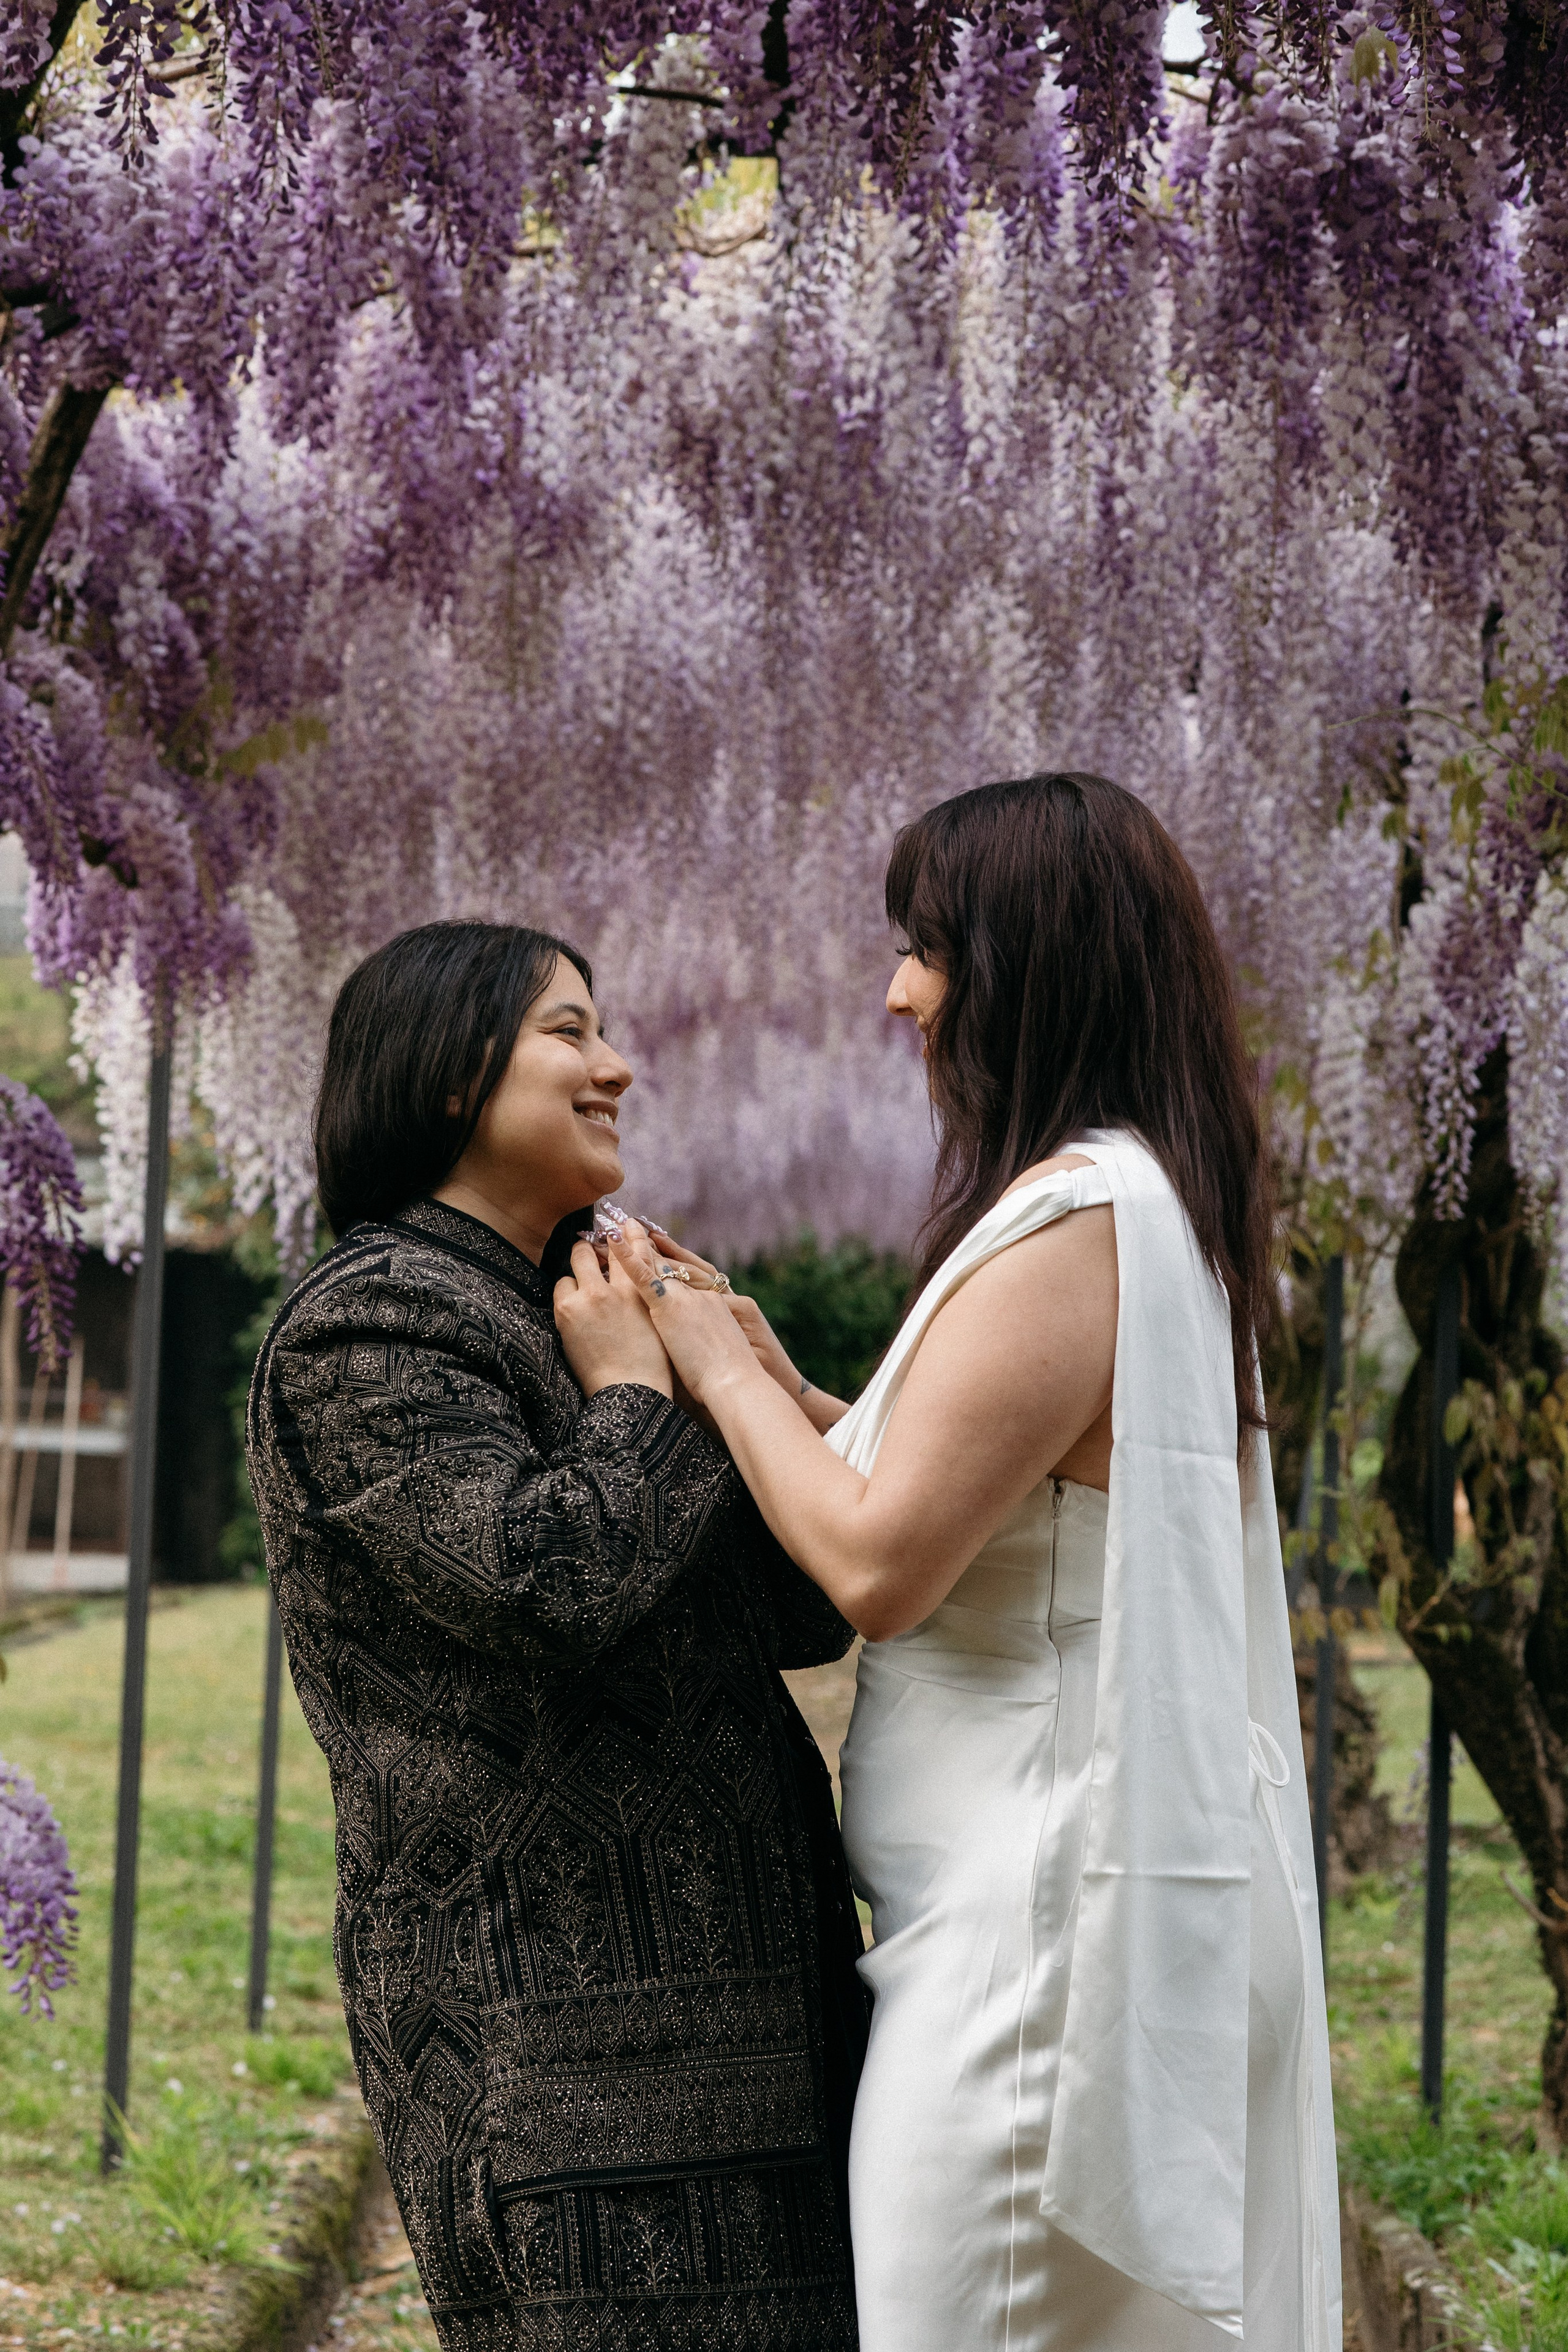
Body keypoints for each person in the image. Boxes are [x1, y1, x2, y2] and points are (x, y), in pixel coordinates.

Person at [607, 775, 1340, 2351]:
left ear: (1029, 964)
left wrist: (708, 1372)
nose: (896, 992)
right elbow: (970, 1483)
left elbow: (880, 1563)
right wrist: (777, 1374)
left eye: (926, 946)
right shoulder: (1146, 1203)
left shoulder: (1078, 1215)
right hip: (1065, 1925)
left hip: (1045, 1958)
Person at [245, 919, 869, 2352]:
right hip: (563, 2068)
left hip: (770, 2034)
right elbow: (547, 1583)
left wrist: (739, 1381)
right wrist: (641, 1400)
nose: (618, 1066)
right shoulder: (374, 1322)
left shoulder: (592, 1302)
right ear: (451, 1065)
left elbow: (805, 1608)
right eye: (569, 1032)